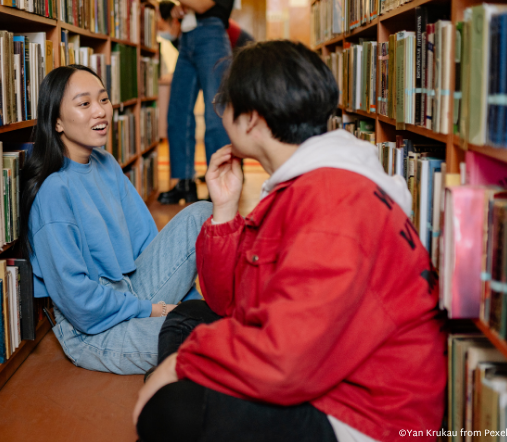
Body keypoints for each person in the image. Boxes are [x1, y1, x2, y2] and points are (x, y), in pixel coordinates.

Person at [132, 41, 447, 441]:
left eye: (222, 105)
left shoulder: (331, 202)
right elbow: (229, 300)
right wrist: (225, 209)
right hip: (325, 368)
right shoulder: (306, 179)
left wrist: (179, 365)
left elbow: (286, 360)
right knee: (188, 317)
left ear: (251, 120)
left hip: (363, 415)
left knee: (171, 411)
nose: (220, 115)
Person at [19, 64, 211, 375]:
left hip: (134, 289)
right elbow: (79, 303)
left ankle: (201, 318)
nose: (100, 112)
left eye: (103, 100)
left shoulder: (105, 162)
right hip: (94, 329)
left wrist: (190, 307)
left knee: (202, 212)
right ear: (56, 121)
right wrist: (156, 311)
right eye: (84, 104)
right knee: (207, 339)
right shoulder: (53, 191)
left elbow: (148, 243)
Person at [148, 0, 241, 205]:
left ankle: (218, 185)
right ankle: (184, 183)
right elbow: (189, 5)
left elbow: (201, 4)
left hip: (212, 37)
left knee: (216, 114)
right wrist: (180, 9)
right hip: (187, 38)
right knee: (178, 112)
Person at [157, 0, 254, 52]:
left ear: (174, 20)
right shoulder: (177, 40)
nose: (160, 33)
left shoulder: (192, 24)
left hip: (240, 42)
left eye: (160, 28)